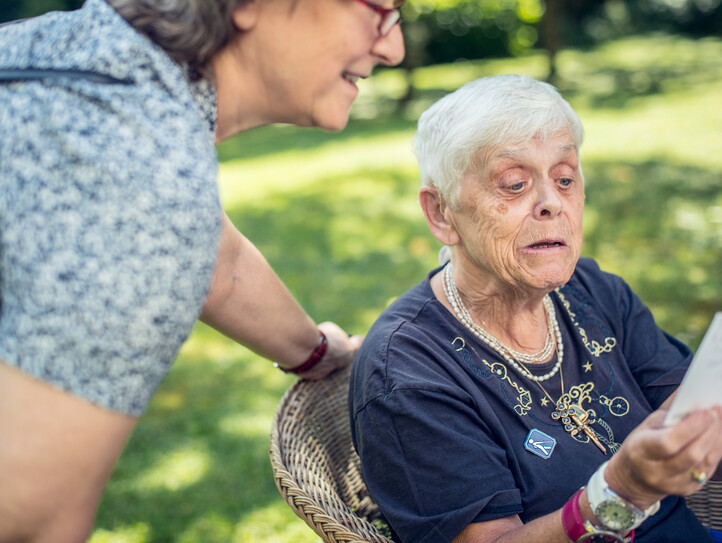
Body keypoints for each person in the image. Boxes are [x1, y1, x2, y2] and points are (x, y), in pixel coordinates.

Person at [0, 0, 404, 540]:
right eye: (378, 8)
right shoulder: (139, 175)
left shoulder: (94, 61)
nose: (393, 47)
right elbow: (29, 517)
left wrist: (316, 352)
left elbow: (222, 265)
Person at [349, 74, 722, 543]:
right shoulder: (407, 374)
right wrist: (616, 494)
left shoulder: (593, 290)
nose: (552, 203)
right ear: (441, 214)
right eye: (514, 184)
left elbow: (691, 415)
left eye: (565, 179)